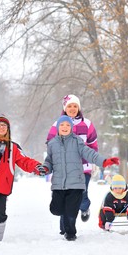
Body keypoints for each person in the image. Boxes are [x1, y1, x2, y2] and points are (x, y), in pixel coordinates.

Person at [41, 115, 119, 241]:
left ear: (71, 128)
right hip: (58, 184)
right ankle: (66, 222)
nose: (65, 127)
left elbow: (90, 153)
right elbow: (49, 161)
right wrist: (45, 168)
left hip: (76, 183)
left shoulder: (77, 141)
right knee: (56, 209)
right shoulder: (52, 144)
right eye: (62, 125)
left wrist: (104, 161)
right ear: (58, 128)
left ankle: (70, 233)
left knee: (71, 212)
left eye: (67, 125)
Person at [46, 94, 98, 232]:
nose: (73, 108)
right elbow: (50, 143)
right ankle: (64, 229)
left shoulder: (87, 124)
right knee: (65, 198)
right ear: (65, 108)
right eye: (70, 106)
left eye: (75, 106)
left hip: (83, 168)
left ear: (79, 108)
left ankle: (85, 207)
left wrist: (93, 160)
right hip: (64, 169)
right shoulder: (57, 124)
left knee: (81, 196)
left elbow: (93, 144)